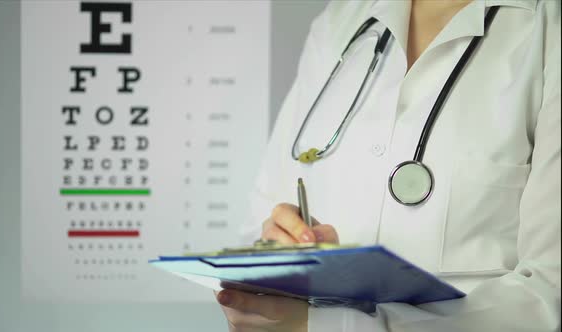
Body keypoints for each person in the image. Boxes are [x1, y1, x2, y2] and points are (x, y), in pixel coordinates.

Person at [215, 0, 561, 331]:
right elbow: (260, 226)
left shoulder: (547, 29)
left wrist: (329, 327)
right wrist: (279, 260)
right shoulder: (340, 21)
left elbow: (549, 295)